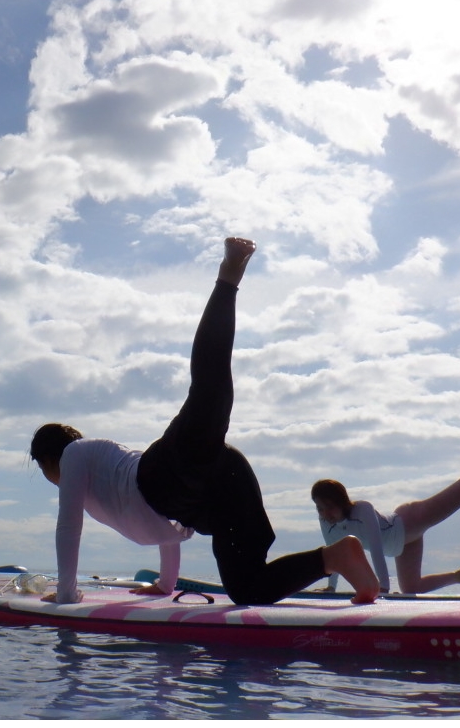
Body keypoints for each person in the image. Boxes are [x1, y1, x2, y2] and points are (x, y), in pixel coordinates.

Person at [30, 237, 379, 606]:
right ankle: (337, 557)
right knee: (247, 589)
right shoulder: (103, 477)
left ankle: (228, 277)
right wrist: (166, 585)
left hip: (168, 475)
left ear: (49, 460)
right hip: (213, 493)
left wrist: (66, 593)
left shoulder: (75, 455)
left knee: (210, 392)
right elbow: (162, 524)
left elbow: (70, 526)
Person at [311, 430, 460, 594]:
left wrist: (382, 587)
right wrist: (331, 587)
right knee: (411, 588)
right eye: (319, 508)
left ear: (341, 501)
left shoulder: (362, 510)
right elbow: (335, 556)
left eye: (328, 506)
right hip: (403, 543)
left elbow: (377, 550)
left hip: (411, 521)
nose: (325, 513)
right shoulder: (327, 523)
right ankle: (459, 576)